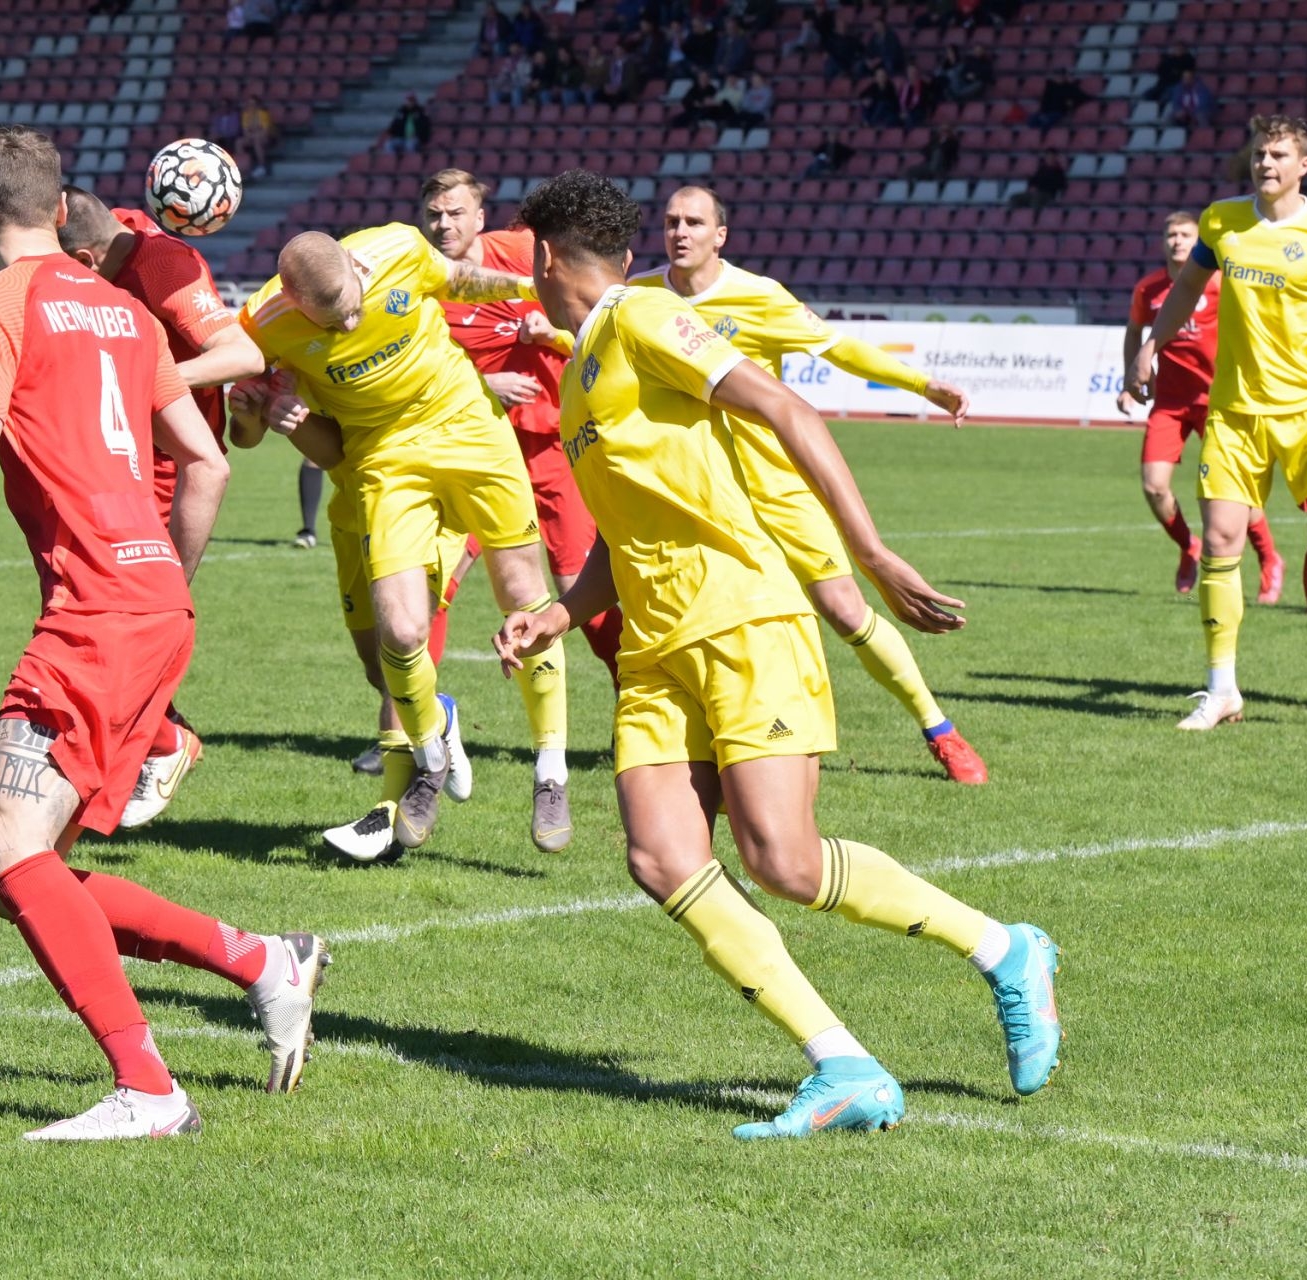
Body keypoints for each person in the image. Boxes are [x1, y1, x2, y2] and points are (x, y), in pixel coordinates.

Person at [498, 170, 1060, 1141]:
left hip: (740, 616)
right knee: (660, 856)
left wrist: (872, 552)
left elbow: (787, 409)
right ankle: (844, 1066)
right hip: (657, 644)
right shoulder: (584, 363)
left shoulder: (642, 318)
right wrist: (559, 612)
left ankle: (1005, 948)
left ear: (546, 256)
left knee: (783, 861)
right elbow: (623, 532)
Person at [0, 125, 325, 1139]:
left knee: (7, 848)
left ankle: (150, 1089)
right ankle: (264, 960)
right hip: (153, 601)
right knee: (21, 874)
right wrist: (163, 581)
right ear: (64, 207)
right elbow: (207, 464)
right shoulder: (125, 311)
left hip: (98, 615)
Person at [0, 191, 268, 831]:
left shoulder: (163, 263)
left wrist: (146, 375)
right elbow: (17, 289)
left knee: (107, 618)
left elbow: (245, 355)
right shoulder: (100, 243)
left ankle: (157, 748)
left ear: (80, 252)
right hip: (112, 455)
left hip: (156, 464)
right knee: (97, 617)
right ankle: (131, 760)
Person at [625, 186, 990, 784]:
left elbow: (839, 348)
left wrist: (922, 386)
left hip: (776, 486)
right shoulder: (640, 297)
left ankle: (940, 730)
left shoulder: (759, 296)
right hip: (698, 495)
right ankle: (715, 744)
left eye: (694, 222)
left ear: (720, 235)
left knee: (844, 609)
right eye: (670, 222)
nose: (680, 232)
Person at [236, 226, 568, 856]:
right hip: (381, 465)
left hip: (469, 430)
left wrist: (532, 287)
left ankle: (550, 771)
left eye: (353, 306)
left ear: (357, 267)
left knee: (523, 593)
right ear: (293, 301)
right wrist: (264, 415)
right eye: (331, 321)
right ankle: (432, 747)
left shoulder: (396, 249)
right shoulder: (262, 324)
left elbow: (458, 278)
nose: (349, 324)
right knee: (396, 640)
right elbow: (243, 433)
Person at [1128, 113, 1307, 735]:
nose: (1266, 163)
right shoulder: (1221, 220)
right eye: (1260, 154)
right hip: (1235, 413)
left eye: (1279, 155)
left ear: (1303, 165)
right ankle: (1221, 690)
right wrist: (1150, 345)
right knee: (1220, 543)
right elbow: (1185, 290)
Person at [421, 169, 627, 815]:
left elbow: (587, 312)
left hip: (550, 445)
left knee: (577, 586)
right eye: (434, 214)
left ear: (482, 217)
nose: (444, 225)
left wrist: (549, 335)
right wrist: (485, 387)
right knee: (430, 584)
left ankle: (638, 704)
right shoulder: (422, 282)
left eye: (456, 212)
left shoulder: (526, 253)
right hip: (475, 451)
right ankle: (413, 726)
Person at [1118, 210, 1285, 600]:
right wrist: (1131, 377)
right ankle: (1188, 547)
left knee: (1233, 492)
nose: (1177, 241)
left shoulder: (1222, 282)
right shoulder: (1149, 289)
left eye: (1185, 235)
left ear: (1199, 242)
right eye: (1171, 235)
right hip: (1170, 403)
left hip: (1219, 402)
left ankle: (1269, 558)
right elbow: (1134, 332)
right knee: (1153, 486)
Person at [240, 94, 277, 178]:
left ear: (258, 105)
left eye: (253, 104)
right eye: (250, 104)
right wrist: (251, 135)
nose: (251, 106)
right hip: (253, 137)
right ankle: (243, 167)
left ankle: (262, 167)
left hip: (268, 137)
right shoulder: (245, 115)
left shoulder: (263, 114)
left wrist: (253, 135)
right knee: (239, 142)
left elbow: (265, 132)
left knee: (257, 141)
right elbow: (245, 131)